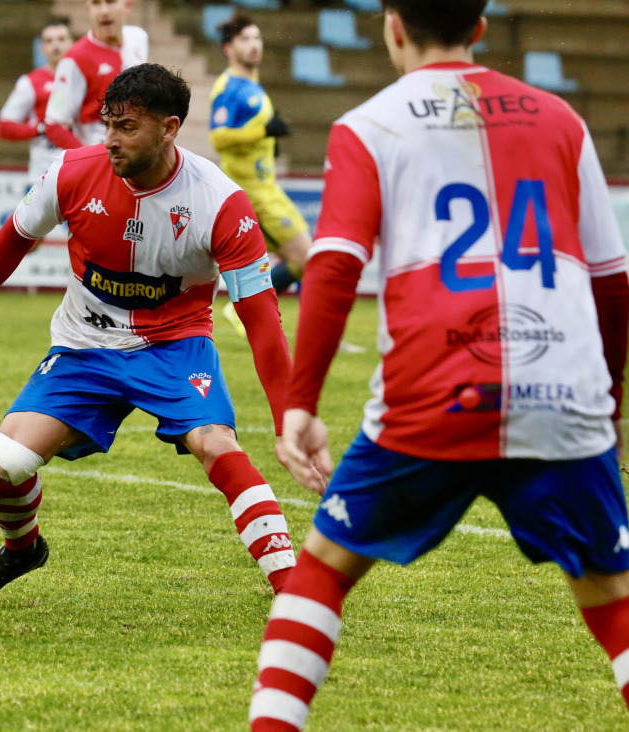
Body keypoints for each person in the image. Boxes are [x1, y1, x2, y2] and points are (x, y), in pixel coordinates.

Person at [249, 1, 629, 729]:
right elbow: (613, 282)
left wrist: (301, 403)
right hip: (565, 391)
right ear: (479, 28)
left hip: (435, 391)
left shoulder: (369, 124)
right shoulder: (562, 120)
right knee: (612, 599)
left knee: (323, 568)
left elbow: (332, 266)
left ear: (392, 25)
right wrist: (605, 412)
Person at [0, 64, 298, 603]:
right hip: (85, 344)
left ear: (170, 128)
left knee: (217, 446)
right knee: (5, 465)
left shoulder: (222, 203)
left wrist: (288, 420)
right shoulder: (72, 172)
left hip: (176, 345)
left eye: (127, 127)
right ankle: (20, 551)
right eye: (108, 124)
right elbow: (15, 236)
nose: (110, 140)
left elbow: (262, 320)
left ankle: (295, 591)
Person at [208, 13, 309, 336]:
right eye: (245, 39)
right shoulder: (229, 87)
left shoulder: (252, 84)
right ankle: (247, 313)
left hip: (267, 186)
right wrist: (263, 129)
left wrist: (269, 140)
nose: (254, 45)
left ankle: (244, 312)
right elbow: (219, 137)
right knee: (308, 258)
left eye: (257, 38)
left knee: (302, 259)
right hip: (251, 190)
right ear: (228, 48)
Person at [43, 0, 149, 150]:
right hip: (102, 153)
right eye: (96, 3)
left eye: (110, 2)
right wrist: (89, 160)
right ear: (88, 10)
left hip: (137, 152)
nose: (104, 11)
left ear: (127, 6)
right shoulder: (74, 59)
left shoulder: (138, 38)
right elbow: (54, 125)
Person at [0, 18, 75, 183]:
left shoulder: (85, 79)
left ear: (72, 42)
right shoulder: (30, 82)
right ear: (42, 48)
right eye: (49, 41)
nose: (56, 46)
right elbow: (4, 127)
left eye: (61, 39)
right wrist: (41, 129)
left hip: (80, 163)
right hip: (45, 169)